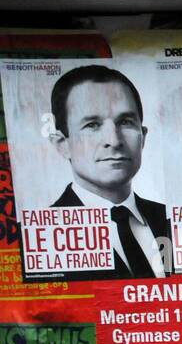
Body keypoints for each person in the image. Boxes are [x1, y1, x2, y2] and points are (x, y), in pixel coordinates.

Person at [46, 64, 169, 279]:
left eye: (125, 122)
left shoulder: (173, 220)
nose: (114, 141)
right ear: (62, 144)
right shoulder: (38, 237)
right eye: (92, 125)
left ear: (143, 136)